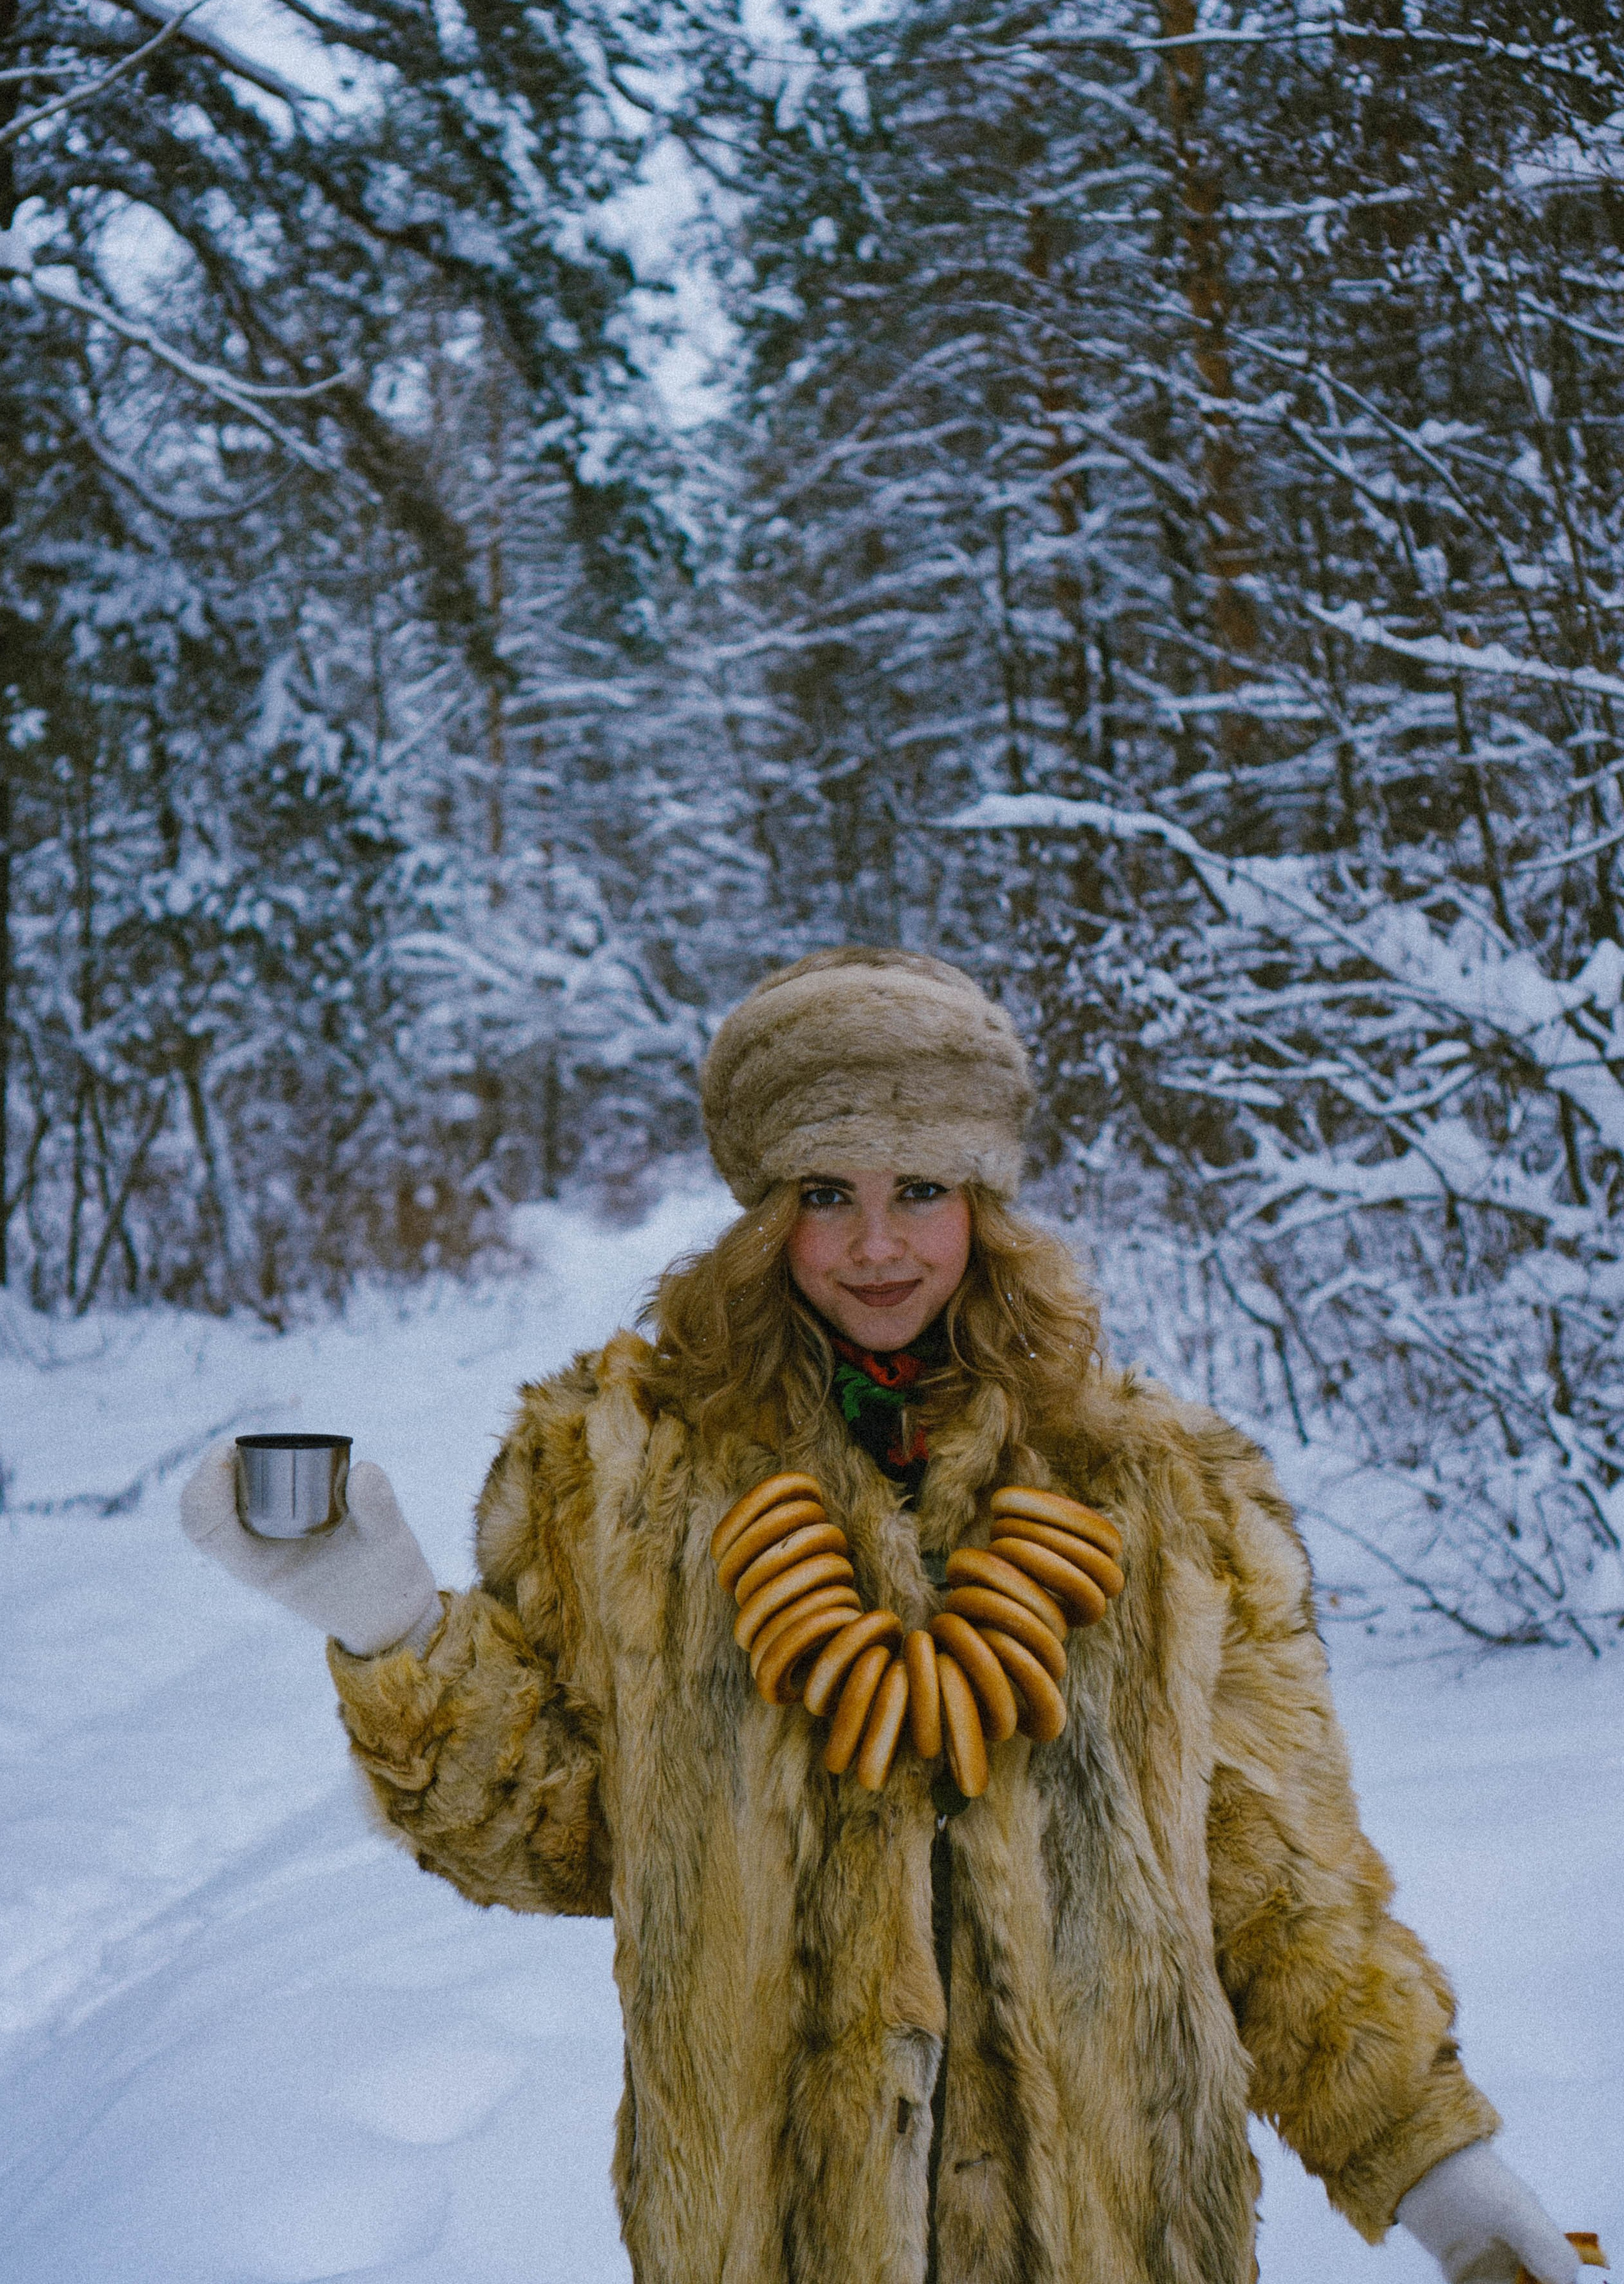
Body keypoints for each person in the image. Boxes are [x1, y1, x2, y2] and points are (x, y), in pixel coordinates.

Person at [183, 948, 1586, 2284]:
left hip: (1110, 2234)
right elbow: (558, 1842)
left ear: (984, 1199)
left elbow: (1282, 1890)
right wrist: (388, 1630)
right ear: (759, 1208)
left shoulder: (1164, 1494)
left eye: (919, 1186)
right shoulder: (614, 1474)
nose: (872, 1245)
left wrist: (1441, 2176)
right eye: (821, 1192)